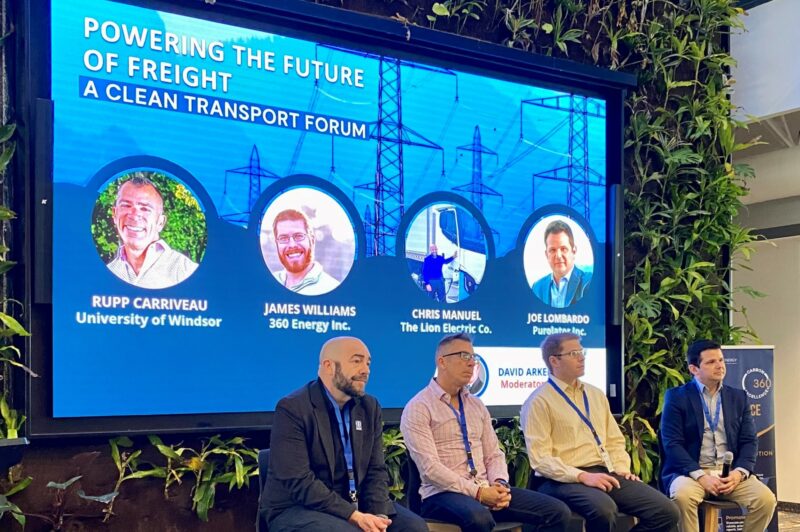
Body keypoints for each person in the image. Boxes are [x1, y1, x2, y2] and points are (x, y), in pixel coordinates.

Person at [401, 333, 571, 532]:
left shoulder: (476, 404)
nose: (472, 363)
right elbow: (430, 469)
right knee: (479, 518)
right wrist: (479, 493)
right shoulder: (419, 407)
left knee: (557, 512)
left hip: (486, 487)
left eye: (473, 357)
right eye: (464, 356)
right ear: (442, 362)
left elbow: (493, 454)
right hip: (441, 494)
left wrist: (499, 484)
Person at [263, 336, 428, 532]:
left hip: (355, 502)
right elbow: (299, 481)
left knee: (413, 528)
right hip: (297, 508)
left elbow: (375, 470)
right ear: (328, 365)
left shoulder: (369, 407)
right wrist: (353, 516)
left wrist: (379, 516)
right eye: (357, 361)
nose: (366, 370)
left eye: (368, 363)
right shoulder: (293, 408)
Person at [521, 333, 678, 532]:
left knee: (666, 511)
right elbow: (541, 459)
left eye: (582, 351)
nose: (582, 357)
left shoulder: (595, 394)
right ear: (554, 361)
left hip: (603, 471)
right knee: (604, 510)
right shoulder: (538, 401)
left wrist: (621, 468)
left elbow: (613, 439)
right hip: (560, 479)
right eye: (574, 353)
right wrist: (581, 476)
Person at [660, 339, 776, 532]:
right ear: (694, 369)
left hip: (729, 474)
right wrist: (700, 476)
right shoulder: (677, 397)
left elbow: (749, 441)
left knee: (765, 500)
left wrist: (738, 474)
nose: (719, 366)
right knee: (682, 495)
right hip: (691, 473)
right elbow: (672, 444)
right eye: (711, 362)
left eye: (721, 360)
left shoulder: (738, 397)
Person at [107, 175, 198, 289]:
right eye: (126, 205)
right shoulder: (106, 274)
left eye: (145, 208)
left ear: (160, 222)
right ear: (114, 214)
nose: (134, 215)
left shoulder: (185, 271)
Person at [271, 208, 339, 295]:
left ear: (312, 240)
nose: (292, 245)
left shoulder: (332, 289)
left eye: (299, 236)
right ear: (276, 244)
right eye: (283, 238)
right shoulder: (267, 284)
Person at [530, 220, 591, 308]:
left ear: (574, 251)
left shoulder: (588, 282)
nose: (558, 256)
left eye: (563, 249)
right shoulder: (537, 287)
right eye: (552, 250)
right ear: (546, 255)